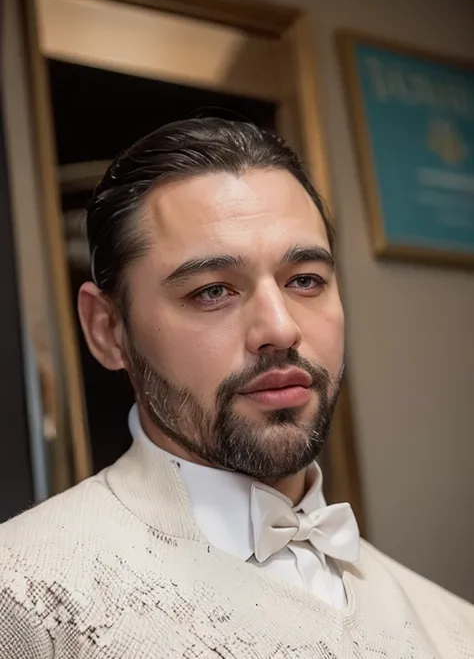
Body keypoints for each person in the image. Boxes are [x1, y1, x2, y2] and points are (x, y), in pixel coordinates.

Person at [0, 118, 473, 659]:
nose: (280, 329)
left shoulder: (455, 629)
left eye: (305, 280)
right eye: (212, 291)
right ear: (108, 330)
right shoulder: (24, 598)